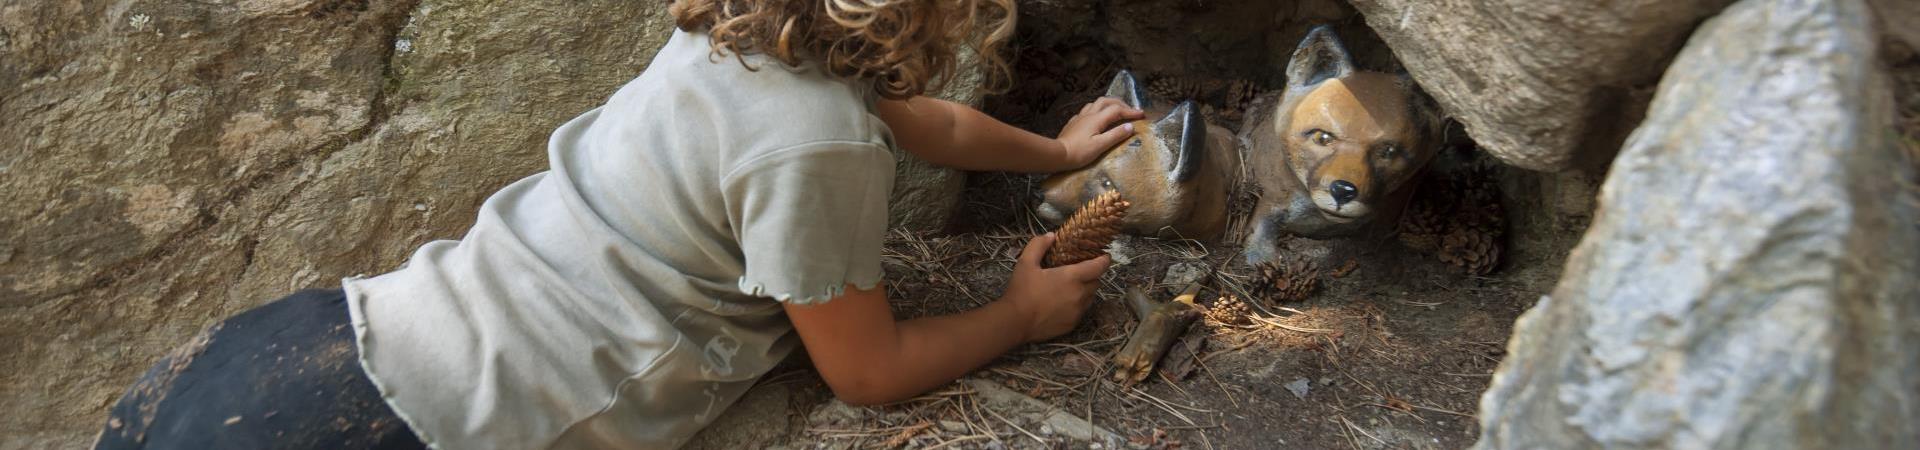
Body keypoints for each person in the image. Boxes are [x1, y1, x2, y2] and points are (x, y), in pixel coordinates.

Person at [93, 0, 1145, 448]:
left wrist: (1053, 153)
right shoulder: (811, 145)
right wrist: (1016, 313)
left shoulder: (736, 41)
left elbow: (927, 125)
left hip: (309, 346)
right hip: (414, 429)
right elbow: (864, 374)